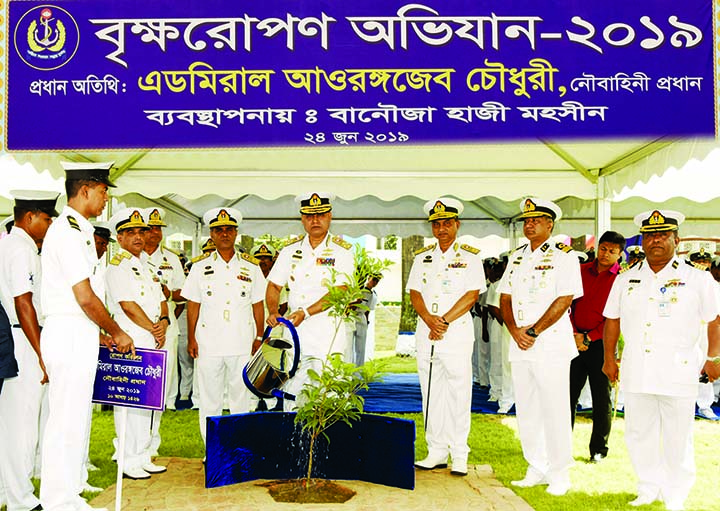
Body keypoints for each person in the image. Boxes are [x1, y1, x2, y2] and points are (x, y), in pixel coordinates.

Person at [603, 209, 720, 510]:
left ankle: (675, 493)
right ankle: (647, 487)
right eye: (649, 235)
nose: (655, 240)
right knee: (639, 432)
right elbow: (612, 320)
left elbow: (715, 319)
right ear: (642, 241)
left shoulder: (697, 278)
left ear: (676, 239)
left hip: (678, 368)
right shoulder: (627, 278)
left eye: (662, 235)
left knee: (678, 435)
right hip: (637, 367)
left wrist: (714, 357)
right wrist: (609, 358)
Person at [39, 161, 134, 511]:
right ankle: (57, 500)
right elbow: (83, 296)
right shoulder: (65, 231)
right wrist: (116, 330)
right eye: (103, 190)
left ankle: (66, 494)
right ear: (84, 190)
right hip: (67, 330)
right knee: (65, 418)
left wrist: (99, 334)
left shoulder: (78, 230)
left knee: (74, 416)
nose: (106, 197)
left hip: (78, 329)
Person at [498, 198, 583, 497]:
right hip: (520, 343)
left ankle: (560, 473)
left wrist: (533, 330)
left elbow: (565, 299)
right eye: (526, 220)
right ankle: (536, 466)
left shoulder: (565, 257)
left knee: (555, 408)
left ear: (550, 224)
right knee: (528, 408)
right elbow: (504, 297)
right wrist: (514, 330)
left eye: (536, 219)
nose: (529, 223)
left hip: (550, 345)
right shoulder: (517, 256)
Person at [408, 197, 486, 477]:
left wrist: (443, 321)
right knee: (431, 392)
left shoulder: (470, 257)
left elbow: (472, 295)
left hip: (454, 333)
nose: (441, 228)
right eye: (437, 224)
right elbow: (415, 292)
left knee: (458, 392)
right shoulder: (422, 257)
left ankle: (459, 453)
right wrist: (429, 319)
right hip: (426, 332)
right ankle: (436, 451)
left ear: (457, 224)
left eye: (446, 223)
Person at [181, 208, 266, 445]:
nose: (225, 234)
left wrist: (259, 337)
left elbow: (258, 304)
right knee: (210, 400)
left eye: (229, 229)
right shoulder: (199, 267)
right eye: (219, 230)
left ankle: (238, 448)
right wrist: (191, 339)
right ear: (212, 234)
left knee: (241, 397)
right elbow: (193, 305)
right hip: (209, 343)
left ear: (236, 233)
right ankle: (214, 450)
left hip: (241, 341)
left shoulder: (252, 266)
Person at [265, 192, 354, 411]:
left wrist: (306, 312)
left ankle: (325, 443)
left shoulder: (343, 252)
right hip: (295, 332)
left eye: (320, 215)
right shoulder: (289, 251)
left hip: (328, 331)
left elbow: (341, 290)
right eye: (309, 216)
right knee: (292, 389)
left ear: (330, 216)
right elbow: (274, 285)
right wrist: (273, 310)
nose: (315, 220)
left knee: (328, 391)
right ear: (302, 219)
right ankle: (293, 441)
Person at [0, 190, 58, 511]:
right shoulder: (21, 249)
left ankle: (7, 492)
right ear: (30, 217)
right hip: (23, 339)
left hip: (16, 338)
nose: (50, 224)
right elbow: (24, 304)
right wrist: (41, 354)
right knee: (23, 424)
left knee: (10, 423)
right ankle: (21, 499)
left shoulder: (10, 244)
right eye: (48, 218)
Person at [105, 208, 168, 480]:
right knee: (129, 401)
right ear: (119, 238)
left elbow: (161, 298)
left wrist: (163, 321)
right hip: (131, 338)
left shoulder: (148, 265)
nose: (138, 237)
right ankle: (128, 458)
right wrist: (152, 327)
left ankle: (142, 455)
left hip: (153, 337)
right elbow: (127, 305)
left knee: (149, 401)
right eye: (130, 232)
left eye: (141, 231)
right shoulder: (118, 265)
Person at [569, 230, 625, 463]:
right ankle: (560, 445)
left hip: (601, 345)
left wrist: (589, 337)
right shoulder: (580, 271)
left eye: (612, 251)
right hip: (572, 342)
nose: (606, 254)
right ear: (597, 247)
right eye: (603, 248)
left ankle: (599, 449)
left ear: (620, 254)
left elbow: (616, 317)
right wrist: (574, 334)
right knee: (566, 396)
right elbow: (567, 303)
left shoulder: (622, 279)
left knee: (601, 399)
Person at [142, 208, 185, 456]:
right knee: (139, 385)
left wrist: (168, 294)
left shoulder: (172, 259)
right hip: (137, 330)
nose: (155, 233)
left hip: (167, 330)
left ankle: (152, 442)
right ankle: (131, 443)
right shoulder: (131, 259)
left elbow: (184, 293)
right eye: (150, 228)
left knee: (160, 387)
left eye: (158, 228)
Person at [251, 242, 286, 411]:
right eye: (259, 258)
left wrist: (277, 321)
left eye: (266, 258)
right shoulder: (248, 276)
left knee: (272, 363)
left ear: (272, 261)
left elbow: (284, 305)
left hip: (274, 327)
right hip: (252, 326)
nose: (262, 261)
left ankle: (271, 400)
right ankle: (253, 400)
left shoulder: (277, 280)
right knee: (251, 362)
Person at [485, 257, 515, 414]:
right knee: (502, 362)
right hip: (505, 327)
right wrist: (510, 324)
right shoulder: (499, 284)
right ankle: (502, 396)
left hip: (526, 330)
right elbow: (493, 306)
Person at [352, 274, 381, 366]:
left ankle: (358, 370)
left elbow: (367, 310)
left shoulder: (373, 294)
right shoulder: (357, 291)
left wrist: (367, 322)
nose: (375, 283)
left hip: (361, 318)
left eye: (377, 281)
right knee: (348, 346)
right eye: (374, 280)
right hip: (351, 318)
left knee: (360, 347)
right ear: (368, 278)